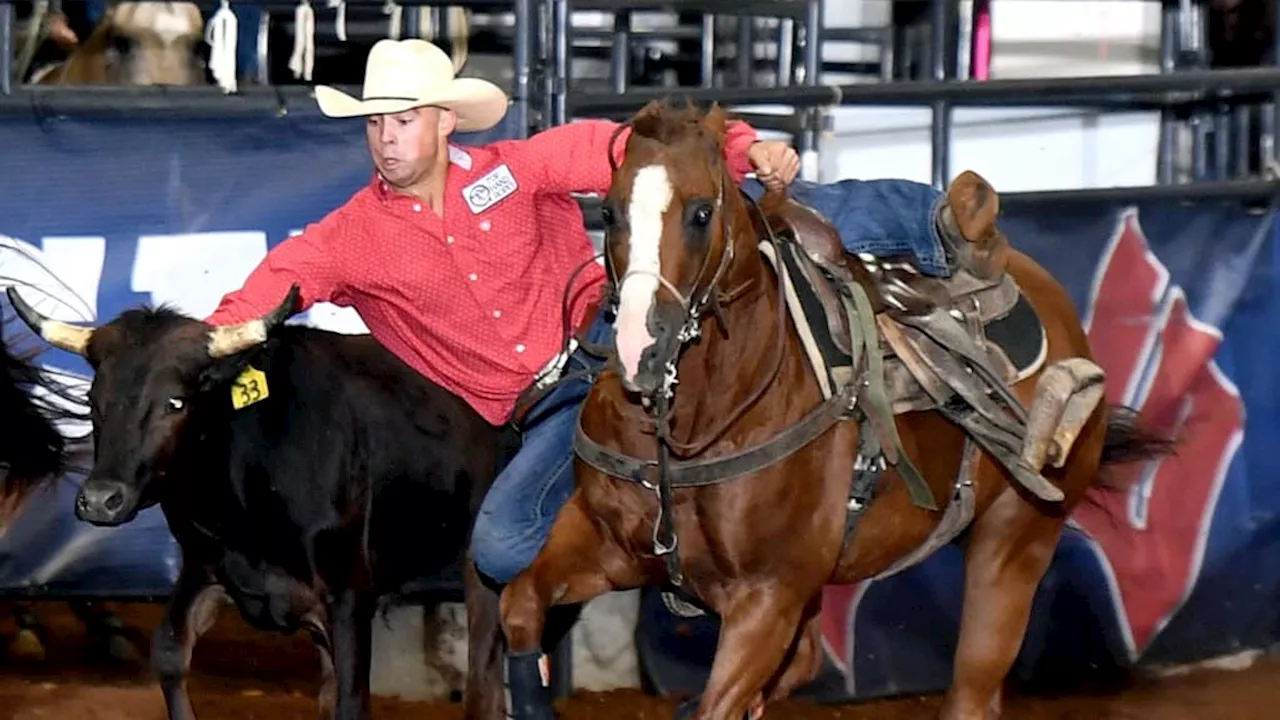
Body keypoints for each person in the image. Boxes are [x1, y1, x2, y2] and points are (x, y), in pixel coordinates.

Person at [202, 37, 993, 702]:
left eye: (403, 120)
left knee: (749, 211)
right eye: (377, 123)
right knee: (504, 547)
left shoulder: (516, 169)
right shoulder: (350, 238)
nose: (386, 138)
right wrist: (202, 340)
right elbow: (272, 284)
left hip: (615, 337)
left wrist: (744, 146)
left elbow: (636, 147)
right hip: (547, 410)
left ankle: (932, 223)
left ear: (443, 123)